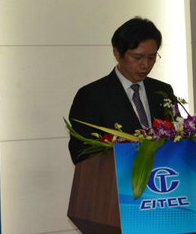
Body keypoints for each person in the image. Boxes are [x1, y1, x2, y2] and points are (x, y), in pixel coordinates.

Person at [68, 17, 174, 164]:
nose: (145, 64)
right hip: (115, 178)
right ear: (117, 53)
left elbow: (178, 140)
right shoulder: (91, 96)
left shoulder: (163, 91)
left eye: (152, 57)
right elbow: (81, 153)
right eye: (137, 57)